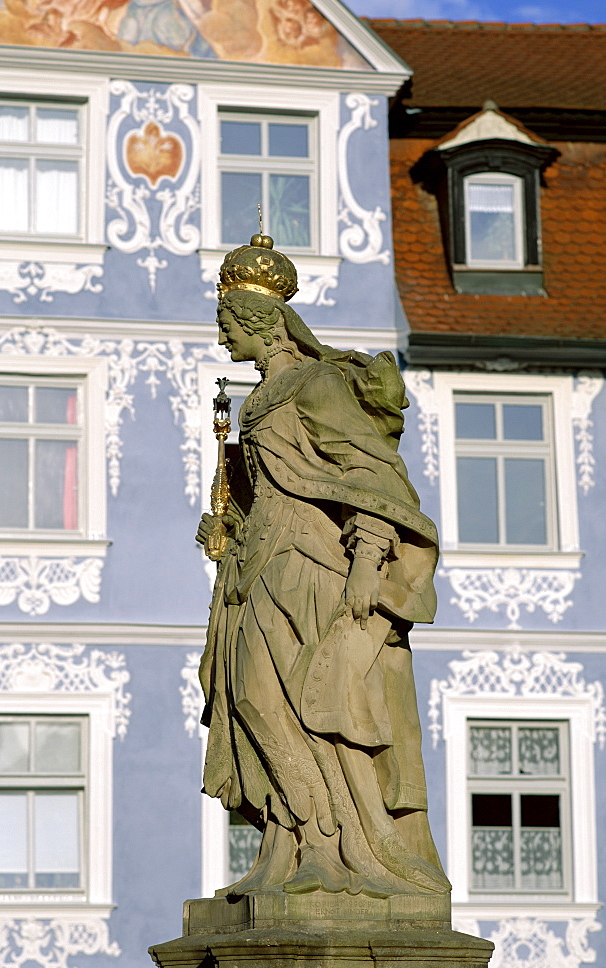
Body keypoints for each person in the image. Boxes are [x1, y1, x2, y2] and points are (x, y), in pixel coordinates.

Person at [196, 233, 450, 898]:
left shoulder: (317, 384)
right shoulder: (254, 401)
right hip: (259, 572)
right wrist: (229, 526)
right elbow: (273, 487)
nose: (222, 339)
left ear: (258, 323)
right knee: (251, 698)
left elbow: (373, 474)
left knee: (318, 709)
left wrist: (368, 561)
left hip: (314, 567)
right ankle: (292, 841)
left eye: (226, 325)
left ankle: (337, 851)